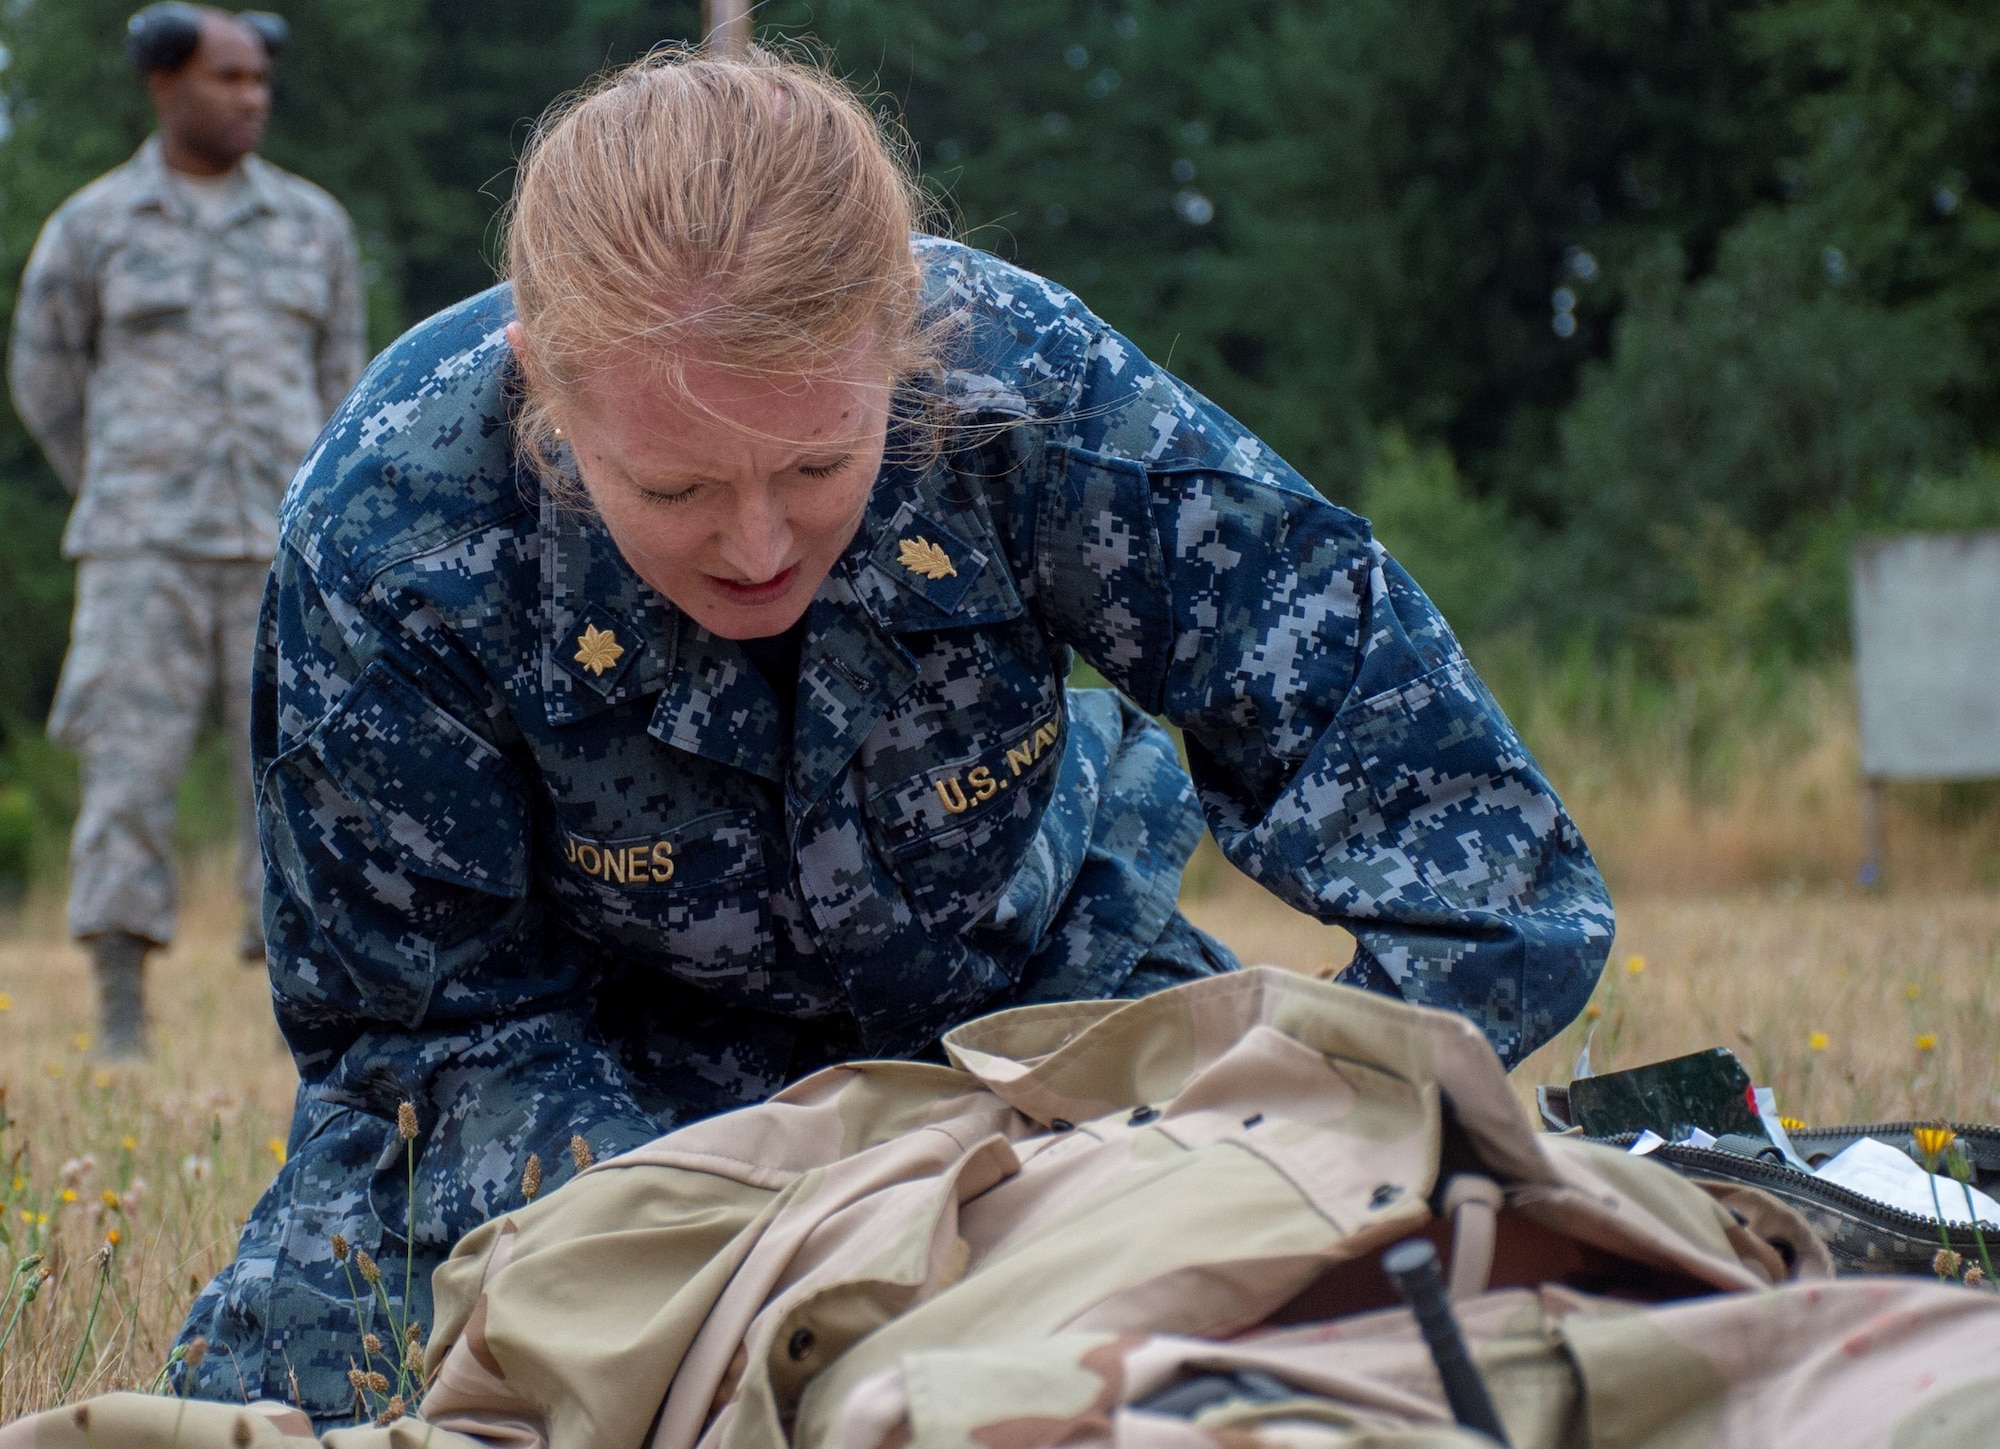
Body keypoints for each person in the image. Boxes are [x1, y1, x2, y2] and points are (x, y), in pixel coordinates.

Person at [174, 48, 1613, 1422]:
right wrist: (780, 1241)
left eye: (817, 463)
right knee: (327, 1386)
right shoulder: (389, 532)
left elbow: (1468, 855)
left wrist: (1300, 1122)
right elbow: (430, 1037)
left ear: (902, 343)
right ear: (548, 392)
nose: (754, 544)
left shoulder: (1021, 390)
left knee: (1385, 1309)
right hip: (605, 1083)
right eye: (675, 489)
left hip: (1031, 1007)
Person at [7, 4, 366, 1056]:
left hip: (280, 547)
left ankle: (292, 1013)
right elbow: (45, 377)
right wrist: (121, 483)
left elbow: (345, 387)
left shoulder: (313, 225)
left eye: (260, 80)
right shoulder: (93, 226)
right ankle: (122, 1016)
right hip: (140, 550)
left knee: (297, 772)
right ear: (165, 86)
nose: (252, 98)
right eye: (229, 79)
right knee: (127, 771)